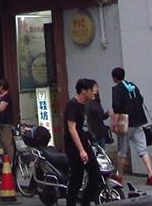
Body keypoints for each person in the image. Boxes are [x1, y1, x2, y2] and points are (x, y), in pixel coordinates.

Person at [110, 67, 152, 187]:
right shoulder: (132, 86)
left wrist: (114, 124)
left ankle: (119, 176)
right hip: (138, 121)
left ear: (114, 78)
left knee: (122, 151)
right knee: (143, 150)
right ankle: (151, 175)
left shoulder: (117, 89)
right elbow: (141, 100)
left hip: (124, 121)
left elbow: (116, 107)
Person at [64, 78, 103, 206]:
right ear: (84, 91)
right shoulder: (73, 105)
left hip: (84, 143)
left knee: (96, 174)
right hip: (73, 146)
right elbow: (72, 129)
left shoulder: (84, 105)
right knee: (77, 177)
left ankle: (85, 202)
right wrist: (81, 150)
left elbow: (84, 127)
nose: (94, 92)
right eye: (92, 90)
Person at [85, 82, 111, 147]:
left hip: (101, 131)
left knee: (102, 150)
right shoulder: (87, 103)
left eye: (97, 86)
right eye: (95, 87)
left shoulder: (97, 101)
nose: (96, 88)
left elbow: (100, 117)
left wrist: (107, 114)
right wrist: (91, 133)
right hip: (93, 132)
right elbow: (88, 119)